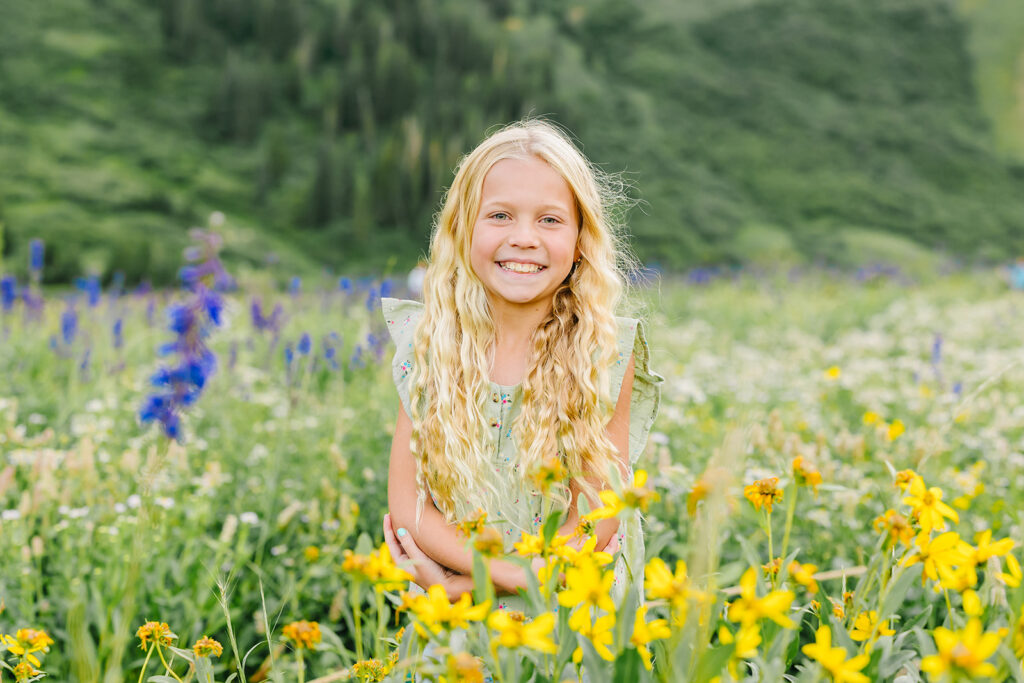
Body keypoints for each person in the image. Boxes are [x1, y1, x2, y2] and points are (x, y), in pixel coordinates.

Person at [380, 120, 663, 614]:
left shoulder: (606, 352)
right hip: (458, 623)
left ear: (580, 241)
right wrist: (501, 578)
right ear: (462, 229)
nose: (524, 238)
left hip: (567, 615)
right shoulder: (428, 344)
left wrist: (464, 587)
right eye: (500, 215)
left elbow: (598, 521)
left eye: (550, 220)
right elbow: (409, 509)